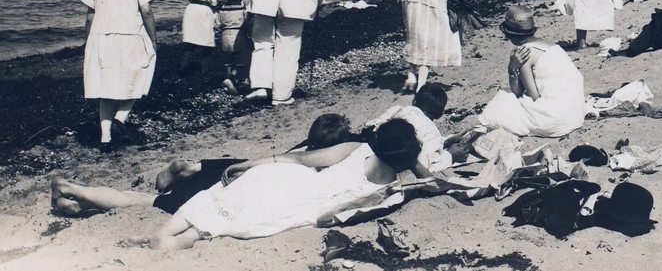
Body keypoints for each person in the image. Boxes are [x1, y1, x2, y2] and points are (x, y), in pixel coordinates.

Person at [140, 118, 422, 250]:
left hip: (287, 179)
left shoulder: (358, 149)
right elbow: (342, 213)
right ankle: (184, 240)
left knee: (216, 199)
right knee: (230, 222)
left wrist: (249, 164)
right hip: (303, 205)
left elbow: (300, 158)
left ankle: (163, 232)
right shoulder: (390, 190)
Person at [49, 114, 353, 219]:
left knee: (158, 194)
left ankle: (75, 203)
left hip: (222, 169)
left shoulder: (299, 149)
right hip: (223, 187)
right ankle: (71, 188)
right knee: (144, 201)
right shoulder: (314, 167)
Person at [80, 0, 158, 152]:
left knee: (106, 89)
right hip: (130, 38)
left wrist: (88, 41)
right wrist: (153, 38)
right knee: (137, 78)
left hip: (103, 39)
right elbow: (147, 12)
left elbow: (90, 16)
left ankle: (105, 137)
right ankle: (120, 119)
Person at [478, 6, 585, 138]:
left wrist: (512, 68)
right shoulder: (553, 46)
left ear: (510, 34)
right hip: (575, 116)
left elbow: (531, 95)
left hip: (554, 121)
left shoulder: (524, 53)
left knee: (503, 97)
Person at [360, 83, 453, 175]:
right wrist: (450, 155)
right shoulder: (433, 133)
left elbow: (372, 125)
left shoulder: (399, 110)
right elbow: (425, 166)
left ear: (414, 101)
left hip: (375, 155)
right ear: (440, 114)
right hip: (398, 168)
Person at [217, 0, 251, 94]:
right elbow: (247, 24)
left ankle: (228, 82)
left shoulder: (222, 9)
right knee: (241, 61)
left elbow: (217, 25)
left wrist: (217, 37)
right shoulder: (243, 9)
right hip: (238, 35)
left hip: (225, 36)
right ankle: (231, 79)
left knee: (228, 62)